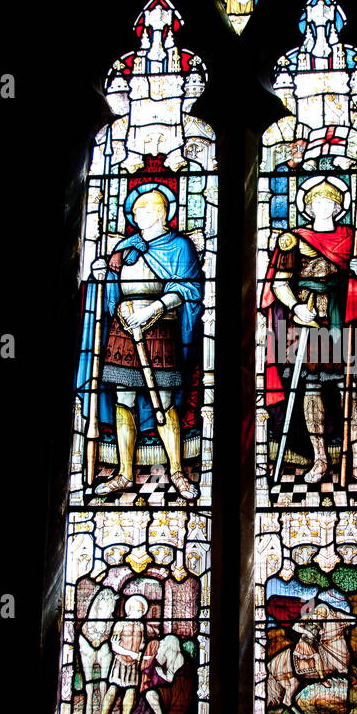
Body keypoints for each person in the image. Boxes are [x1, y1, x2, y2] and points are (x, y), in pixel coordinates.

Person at [261, 175, 357, 489]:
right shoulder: (294, 238)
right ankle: (320, 459)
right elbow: (279, 282)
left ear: (339, 207)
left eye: (329, 202)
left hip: (344, 319)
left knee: (350, 390)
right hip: (307, 322)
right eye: (316, 202)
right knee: (312, 389)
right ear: (308, 206)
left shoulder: (352, 238)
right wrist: (294, 307)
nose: (323, 207)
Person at [79, 184, 203, 499]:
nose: (138, 216)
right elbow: (112, 292)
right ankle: (124, 472)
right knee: (124, 399)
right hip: (123, 328)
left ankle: (176, 470)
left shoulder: (179, 247)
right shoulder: (125, 247)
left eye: (145, 210)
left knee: (163, 400)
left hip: (160, 326)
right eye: (135, 211)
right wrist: (102, 275)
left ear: (162, 212)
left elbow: (188, 289)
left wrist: (154, 308)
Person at [91, 596, 151, 714]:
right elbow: (114, 646)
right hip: (120, 662)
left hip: (133, 665)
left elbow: (142, 645)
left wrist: (142, 657)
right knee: (112, 692)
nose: (140, 613)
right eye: (138, 610)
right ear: (129, 610)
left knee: (131, 693)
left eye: (142, 611)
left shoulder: (141, 626)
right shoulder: (120, 624)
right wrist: (131, 653)